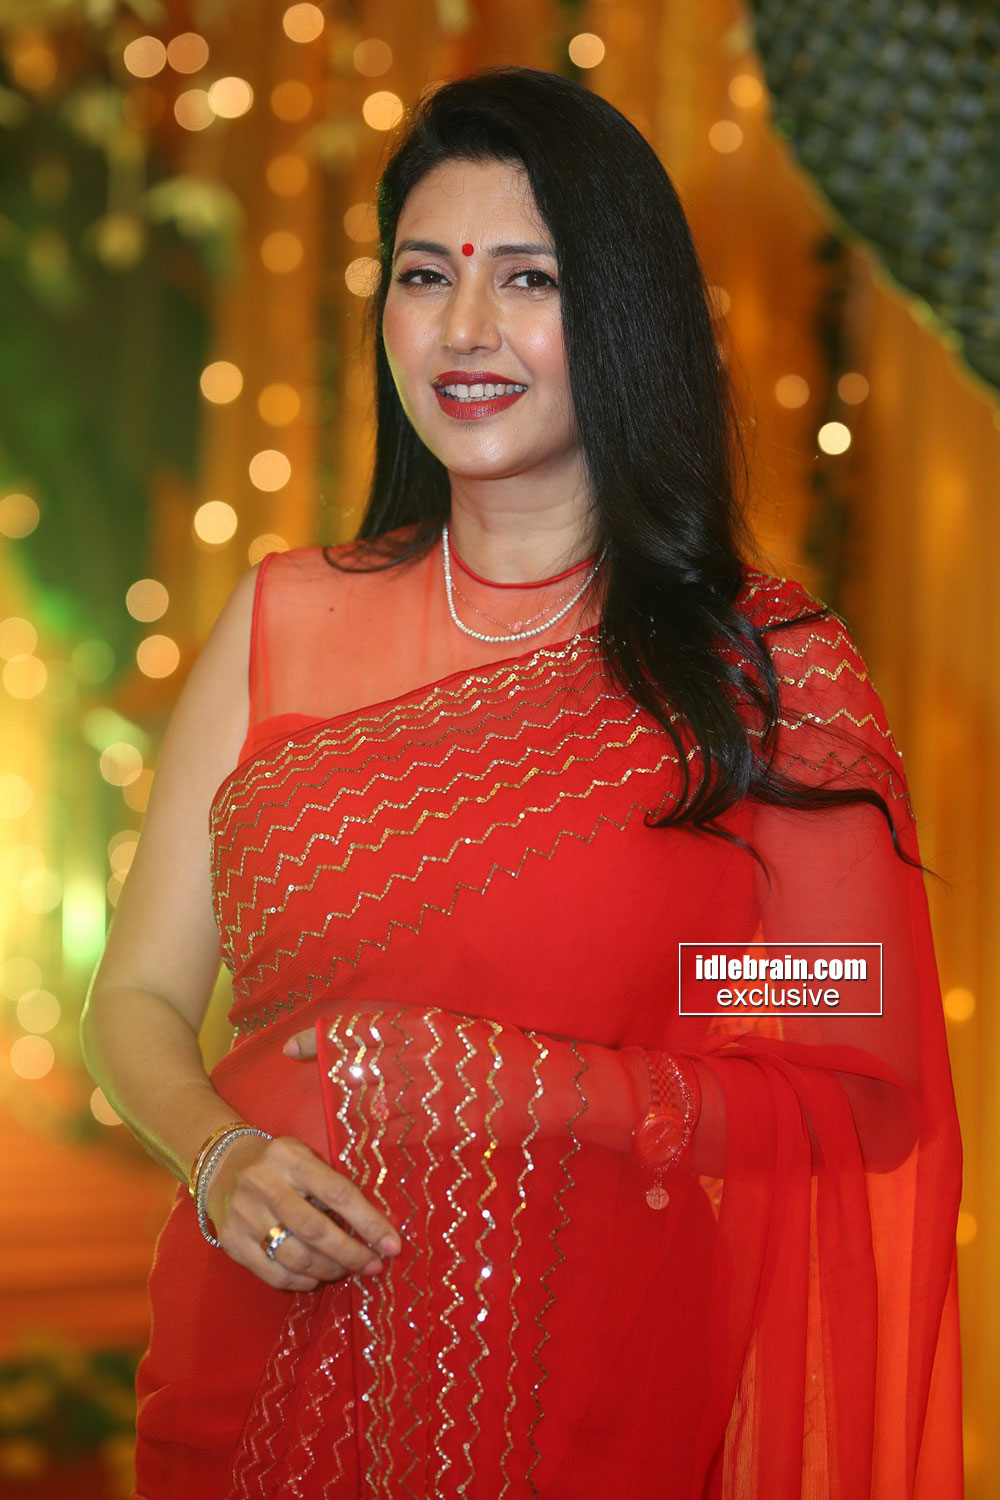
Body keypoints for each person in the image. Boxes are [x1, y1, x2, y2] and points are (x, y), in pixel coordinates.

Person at [82, 66, 963, 1499]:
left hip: (592, 1377)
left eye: (530, 279)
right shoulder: (283, 615)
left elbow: (848, 1051)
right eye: (426, 275)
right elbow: (133, 998)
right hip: (259, 1339)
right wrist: (219, 1153)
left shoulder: (759, 669)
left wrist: (533, 1082)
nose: (466, 329)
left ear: (623, 314)